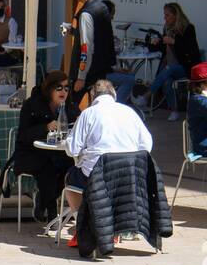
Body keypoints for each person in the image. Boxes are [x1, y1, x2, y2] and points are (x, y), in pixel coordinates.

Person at [63, 80, 152, 228]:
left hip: (96, 175)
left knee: (70, 180)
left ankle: (83, 224)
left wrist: (66, 142)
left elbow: (72, 149)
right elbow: (147, 144)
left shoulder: (88, 113)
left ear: (93, 96)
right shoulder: (129, 112)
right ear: (114, 94)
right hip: (128, 175)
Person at [10, 70, 80, 222]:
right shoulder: (32, 105)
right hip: (29, 153)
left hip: (58, 154)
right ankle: (51, 210)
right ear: (49, 89)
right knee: (48, 168)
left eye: (67, 88)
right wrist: (45, 127)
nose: (63, 91)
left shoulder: (70, 107)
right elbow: (23, 136)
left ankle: (46, 201)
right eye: (59, 88)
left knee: (71, 167)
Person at [132, 2, 200, 119]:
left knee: (169, 69)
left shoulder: (188, 28)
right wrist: (155, 44)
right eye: (164, 15)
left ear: (176, 15)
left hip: (186, 66)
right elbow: (164, 49)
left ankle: (146, 96)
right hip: (170, 67)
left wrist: (174, 42)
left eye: (167, 15)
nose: (165, 18)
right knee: (167, 81)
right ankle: (174, 111)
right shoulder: (167, 28)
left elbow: (191, 49)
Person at [65, 0, 115, 98]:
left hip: (87, 72)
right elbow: (100, 35)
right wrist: (74, 31)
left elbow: (86, 48)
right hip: (101, 69)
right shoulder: (102, 7)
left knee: (71, 107)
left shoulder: (86, 13)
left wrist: (81, 77)